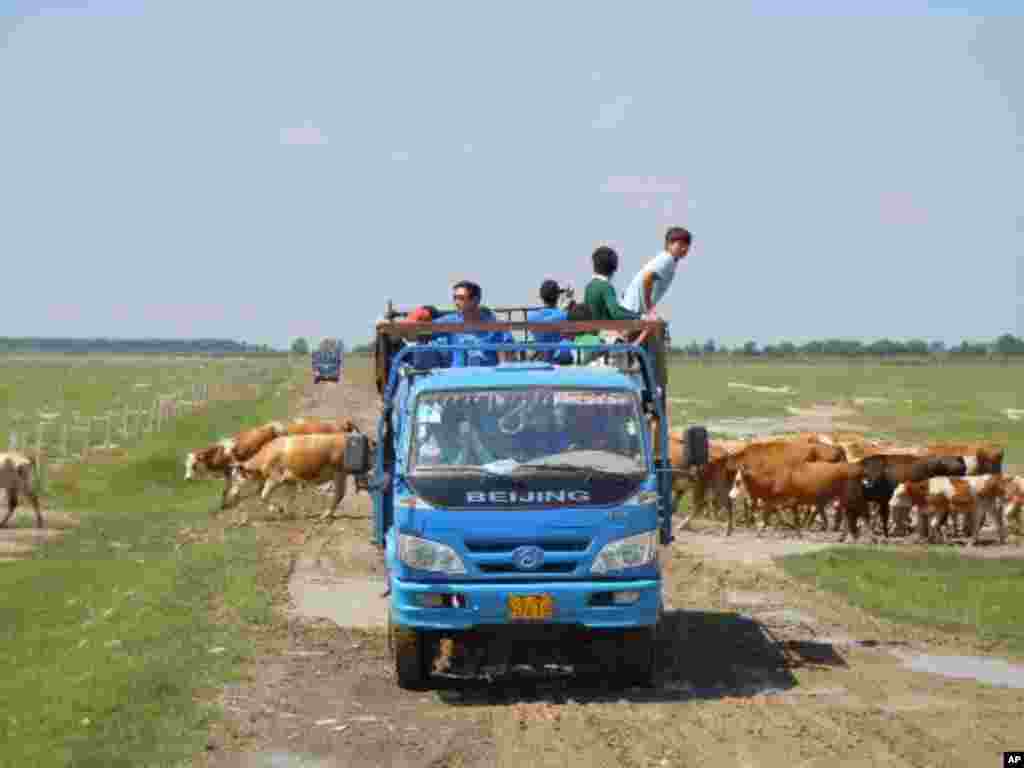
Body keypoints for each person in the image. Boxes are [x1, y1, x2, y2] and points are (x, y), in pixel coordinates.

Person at [433, 281, 515, 367]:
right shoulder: (449, 321)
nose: (456, 303)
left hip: (486, 377)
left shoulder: (496, 325)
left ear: (475, 300)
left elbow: (506, 361)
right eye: (455, 298)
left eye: (461, 298)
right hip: (457, 377)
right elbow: (423, 331)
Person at [621, 226, 693, 317]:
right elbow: (647, 276)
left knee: (656, 327)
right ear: (669, 244)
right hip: (634, 308)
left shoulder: (669, 260)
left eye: (687, 245)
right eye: (680, 244)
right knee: (656, 327)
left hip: (632, 307)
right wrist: (648, 306)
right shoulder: (667, 259)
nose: (684, 249)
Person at [527, 279, 574, 363]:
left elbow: (549, 318)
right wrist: (567, 300)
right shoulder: (565, 316)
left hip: (541, 360)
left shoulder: (531, 317)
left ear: (541, 296)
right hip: (559, 361)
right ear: (558, 296)